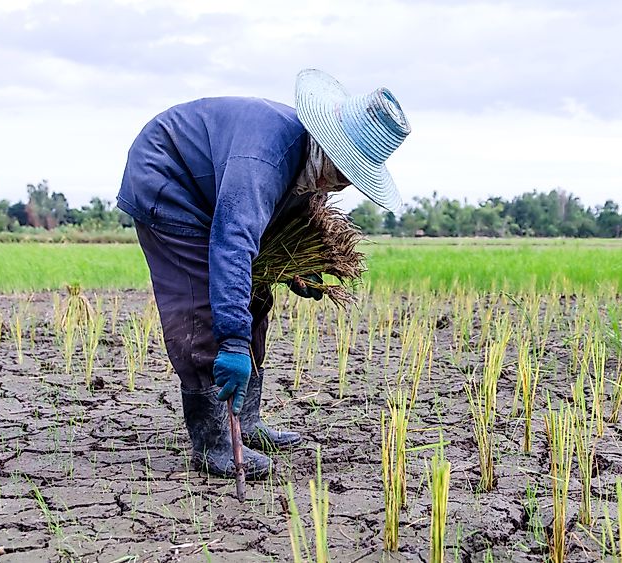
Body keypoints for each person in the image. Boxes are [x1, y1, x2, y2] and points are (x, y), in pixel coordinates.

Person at [116, 69, 411, 480]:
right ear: (328, 146)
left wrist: (297, 271)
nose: (343, 186)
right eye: (344, 171)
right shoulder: (265, 159)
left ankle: (247, 422)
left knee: (255, 295)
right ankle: (213, 444)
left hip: (214, 189)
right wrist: (233, 341)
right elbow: (233, 242)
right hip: (169, 179)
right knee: (198, 305)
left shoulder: (306, 168)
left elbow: (263, 234)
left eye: (353, 177)